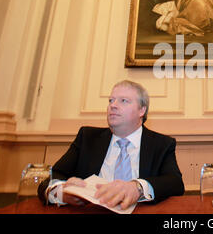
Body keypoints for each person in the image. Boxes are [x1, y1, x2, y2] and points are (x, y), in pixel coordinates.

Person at [38, 80, 184, 210]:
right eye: (111, 100)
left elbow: (175, 183)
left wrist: (137, 188)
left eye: (123, 101)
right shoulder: (87, 137)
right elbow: (51, 178)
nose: (113, 106)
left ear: (142, 110)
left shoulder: (161, 144)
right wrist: (62, 193)